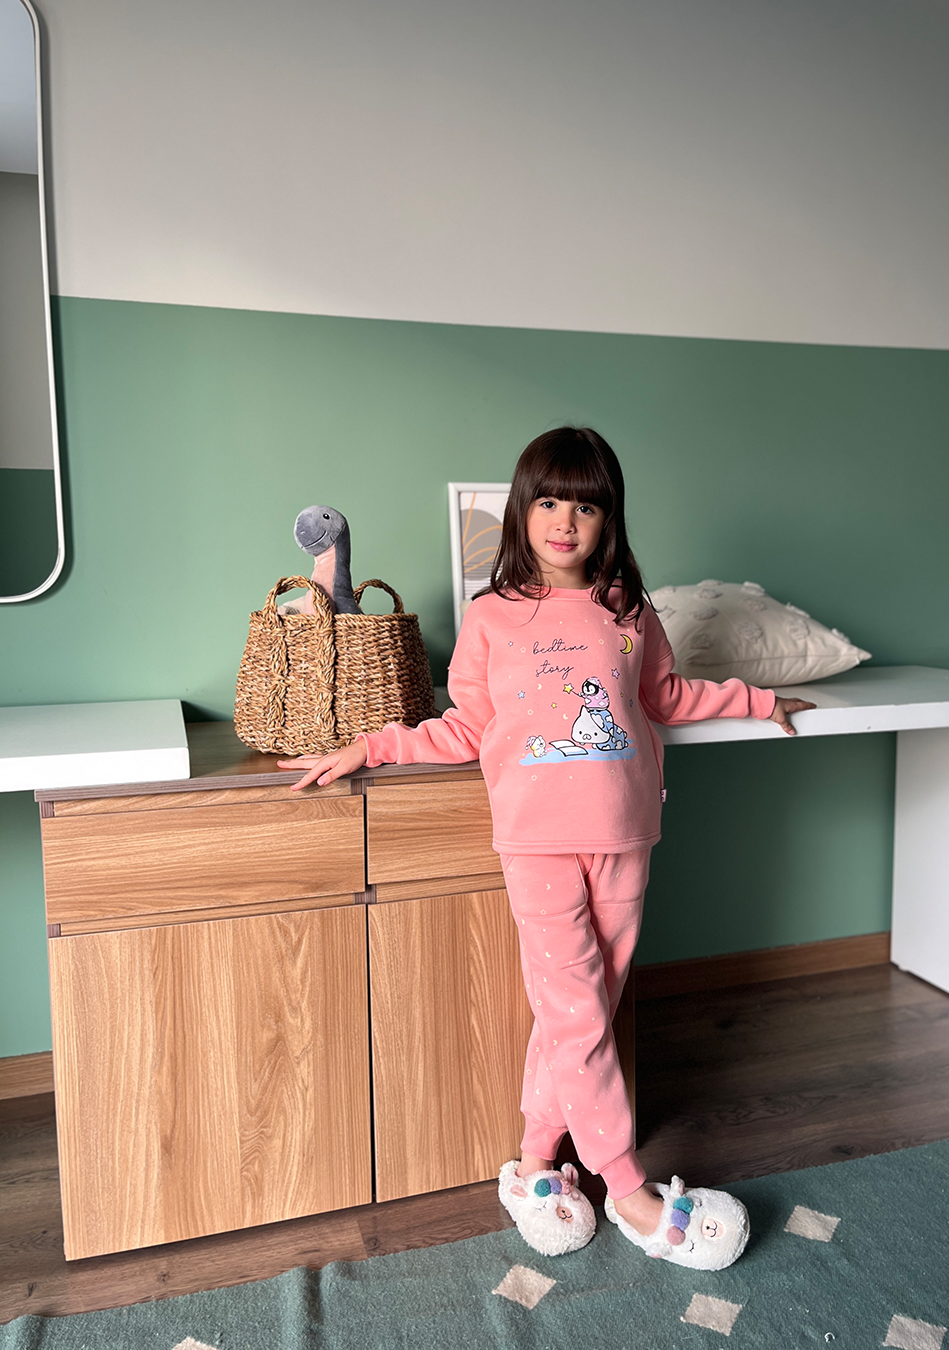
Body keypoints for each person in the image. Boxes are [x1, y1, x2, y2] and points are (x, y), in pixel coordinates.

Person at [279, 426, 815, 1269]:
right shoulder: (491, 616)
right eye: (551, 502)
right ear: (523, 511)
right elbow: (466, 725)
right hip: (536, 844)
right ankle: (629, 1191)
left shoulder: (627, 610)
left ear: (609, 519)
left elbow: (667, 697)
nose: (566, 521)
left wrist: (756, 699)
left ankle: (533, 1163)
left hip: (627, 836)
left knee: (583, 1013)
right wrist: (371, 747)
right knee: (579, 1015)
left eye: (586, 506)